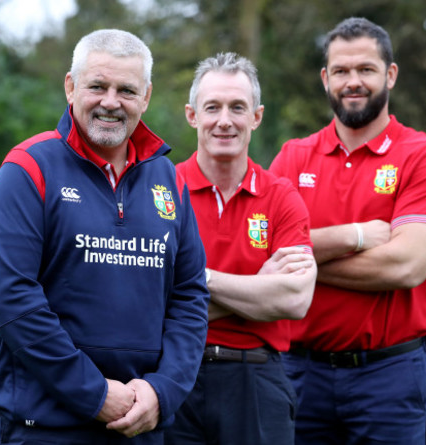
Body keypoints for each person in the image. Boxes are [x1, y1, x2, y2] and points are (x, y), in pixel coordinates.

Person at [0, 29, 210, 444]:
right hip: (44, 428)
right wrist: (94, 393)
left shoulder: (169, 182)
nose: (110, 102)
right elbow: (14, 299)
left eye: (126, 90)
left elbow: (190, 295)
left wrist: (164, 391)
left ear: (147, 97)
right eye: (97, 86)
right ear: (70, 86)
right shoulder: (27, 170)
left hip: (141, 424)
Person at [269, 17, 426, 444]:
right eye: (341, 71)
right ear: (325, 78)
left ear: (390, 74)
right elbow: (260, 249)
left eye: (366, 70)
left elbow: (406, 266)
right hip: (300, 372)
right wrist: (352, 236)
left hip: (388, 376)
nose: (353, 82)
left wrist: (299, 259)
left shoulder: (423, 156)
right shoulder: (293, 158)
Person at [164, 52, 317, 445]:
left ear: (257, 117)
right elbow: (149, 300)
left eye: (238, 107)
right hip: (174, 375)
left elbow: (295, 299)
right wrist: (256, 288)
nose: (225, 120)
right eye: (212, 107)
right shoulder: (161, 190)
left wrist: (197, 280)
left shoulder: (282, 197)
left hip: (257, 381)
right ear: (192, 114)